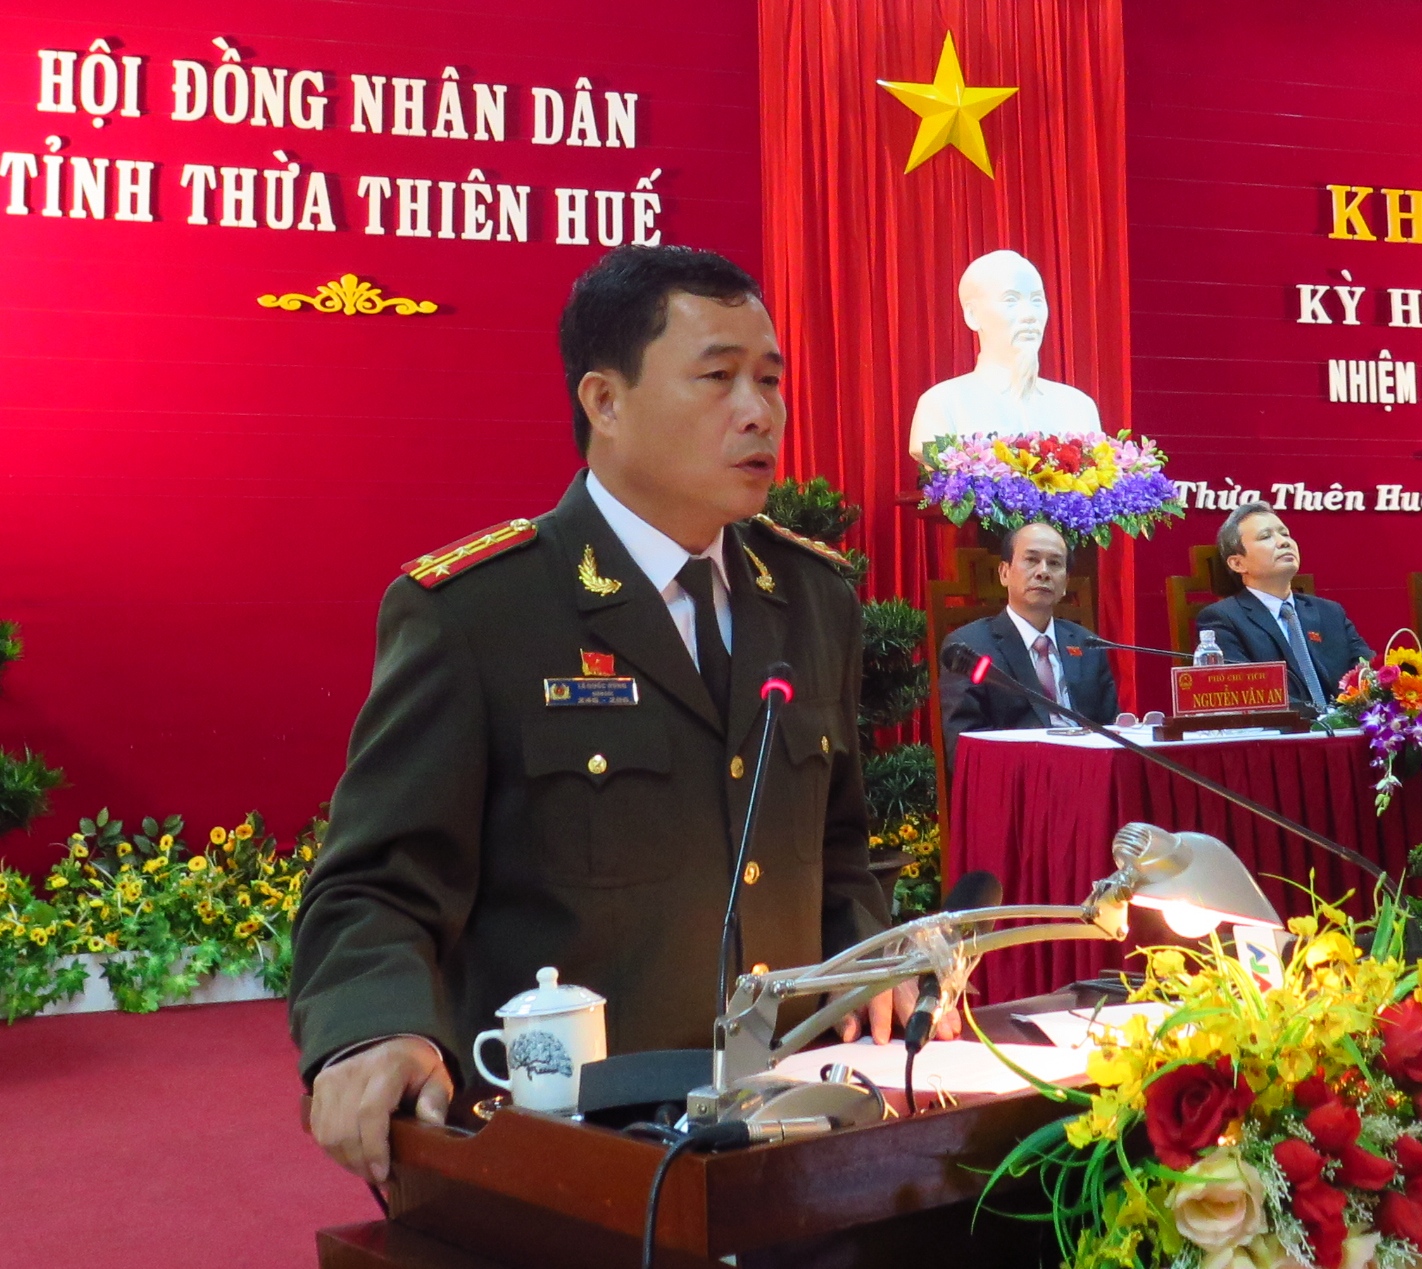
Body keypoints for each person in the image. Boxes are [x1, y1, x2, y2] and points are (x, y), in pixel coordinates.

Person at [290, 245, 956, 1187]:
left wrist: (871, 960)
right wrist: (372, 1027)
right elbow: (374, 884)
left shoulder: (812, 599)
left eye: (770, 380)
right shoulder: (483, 613)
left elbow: (835, 851)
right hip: (572, 1152)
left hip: (790, 1132)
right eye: (718, 377)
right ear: (605, 401)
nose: (760, 411)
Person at [939, 521, 1118, 764]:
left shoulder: (1087, 645)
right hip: (1020, 777)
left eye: (1054, 563)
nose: (1043, 572)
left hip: (1090, 772)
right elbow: (964, 750)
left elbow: (1110, 727)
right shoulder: (971, 647)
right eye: (1031, 560)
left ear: (1065, 583)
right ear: (1004, 573)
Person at [907, 250, 1102, 462]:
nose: (1029, 315)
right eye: (1011, 300)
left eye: (1037, 300)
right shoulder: (943, 405)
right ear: (972, 315)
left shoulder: (1079, 407)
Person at [1194, 502, 1372, 709]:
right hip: (1281, 727)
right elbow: (1244, 694)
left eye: (1285, 534)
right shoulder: (1222, 619)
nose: (1283, 542)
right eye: (1266, 536)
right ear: (1238, 563)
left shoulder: (1330, 613)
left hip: (1348, 724)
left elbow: (1368, 673)